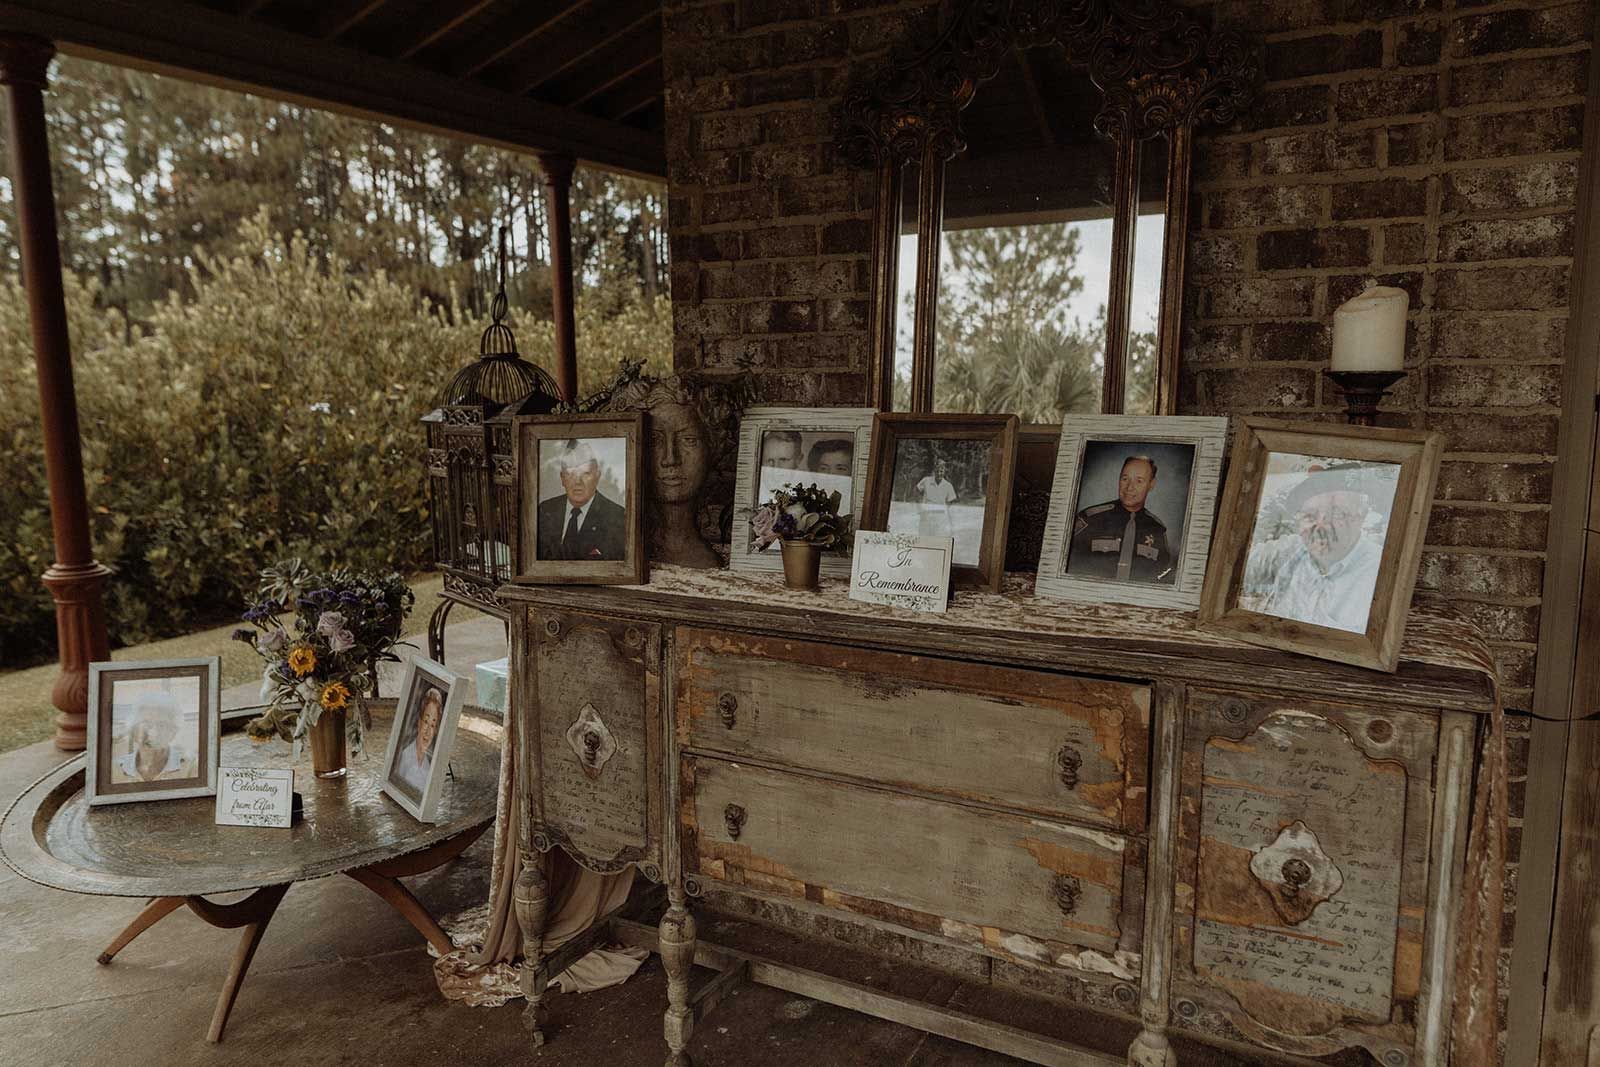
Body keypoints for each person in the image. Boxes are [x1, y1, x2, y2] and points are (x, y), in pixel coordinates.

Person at [1240, 464, 1384, 633]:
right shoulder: (1292, 548)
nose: (1321, 525)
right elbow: (1235, 566)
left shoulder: (1379, 573)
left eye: (1337, 515)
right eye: (1310, 516)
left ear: (1361, 518)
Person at [1068, 455, 1175, 583]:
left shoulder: (1157, 529)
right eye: (1125, 479)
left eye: (1139, 481)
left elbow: (1163, 572)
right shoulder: (1090, 519)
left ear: (1151, 485)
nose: (1129, 487)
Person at [536, 440, 628, 561]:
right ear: (562, 478)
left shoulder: (618, 518)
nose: (578, 481)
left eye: (585, 474)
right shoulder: (545, 510)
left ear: (597, 476)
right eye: (571, 474)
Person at [115, 691, 196, 783]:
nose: (153, 732)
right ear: (134, 730)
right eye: (146, 724)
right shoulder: (116, 769)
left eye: (161, 725)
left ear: (173, 732)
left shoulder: (191, 766)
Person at [391, 685, 443, 799]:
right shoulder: (404, 756)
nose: (428, 731)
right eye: (426, 721)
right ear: (419, 723)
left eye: (433, 725)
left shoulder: (429, 767)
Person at [915, 456, 958, 538]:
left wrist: (945, 509)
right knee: (923, 540)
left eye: (941, 471)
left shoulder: (948, 485)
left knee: (937, 541)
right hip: (926, 516)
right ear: (934, 470)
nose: (939, 473)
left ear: (944, 471)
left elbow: (951, 500)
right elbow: (916, 490)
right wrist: (919, 507)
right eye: (937, 471)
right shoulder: (926, 480)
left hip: (940, 518)